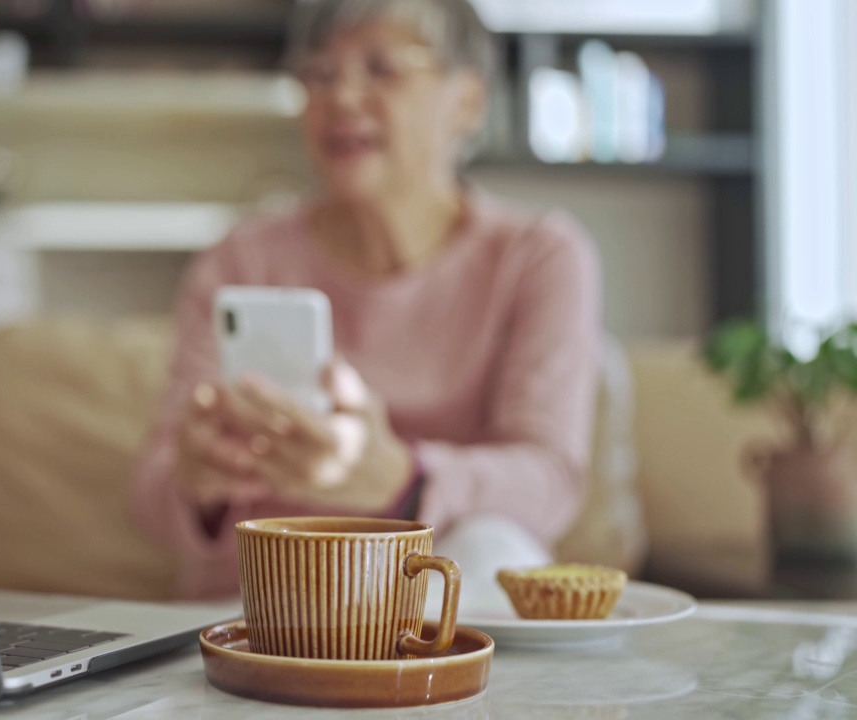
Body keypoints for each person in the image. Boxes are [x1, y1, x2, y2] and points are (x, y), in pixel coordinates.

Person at [131, 0, 602, 603]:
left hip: (436, 598)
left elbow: (549, 481)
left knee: (494, 545)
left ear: (468, 100)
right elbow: (151, 495)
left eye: (381, 68)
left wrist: (406, 481)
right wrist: (199, 484)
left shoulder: (537, 256)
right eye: (320, 74)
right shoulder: (240, 259)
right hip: (266, 606)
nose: (342, 98)